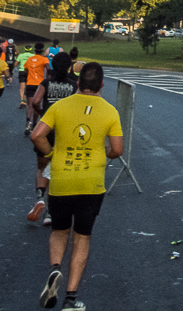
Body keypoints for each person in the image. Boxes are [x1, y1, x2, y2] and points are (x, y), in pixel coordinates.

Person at [31, 62, 122, 311]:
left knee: (59, 231)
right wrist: (103, 154)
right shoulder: (110, 111)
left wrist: (51, 153)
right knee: (82, 238)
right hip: (91, 183)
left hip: (62, 178)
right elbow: (117, 149)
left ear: (78, 83)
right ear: (102, 84)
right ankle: (71, 298)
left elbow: (36, 135)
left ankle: (54, 269)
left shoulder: (60, 106)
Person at [27, 52, 78, 224]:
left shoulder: (46, 83)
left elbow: (35, 101)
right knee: (59, 170)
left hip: (47, 129)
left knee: (42, 166)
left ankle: (40, 196)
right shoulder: (73, 86)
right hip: (65, 130)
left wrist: (43, 113)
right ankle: (51, 211)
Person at [23, 43, 49, 135]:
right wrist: (47, 77)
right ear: (42, 50)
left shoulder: (29, 59)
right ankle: (34, 124)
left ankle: (28, 122)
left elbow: (25, 70)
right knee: (37, 104)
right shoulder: (44, 59)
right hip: (39, 85)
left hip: (30, 83)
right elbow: (48, 68)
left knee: (29, 104)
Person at [16, 44, 35, 108]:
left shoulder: (21, 55)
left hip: (22, 71)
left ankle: (22, 101)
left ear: (25, 49)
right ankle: (29, 101)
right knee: (29, 87)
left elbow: (16, 64)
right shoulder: (33, 56)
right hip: (30, 72)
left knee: (22, 87)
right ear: (31, 49)